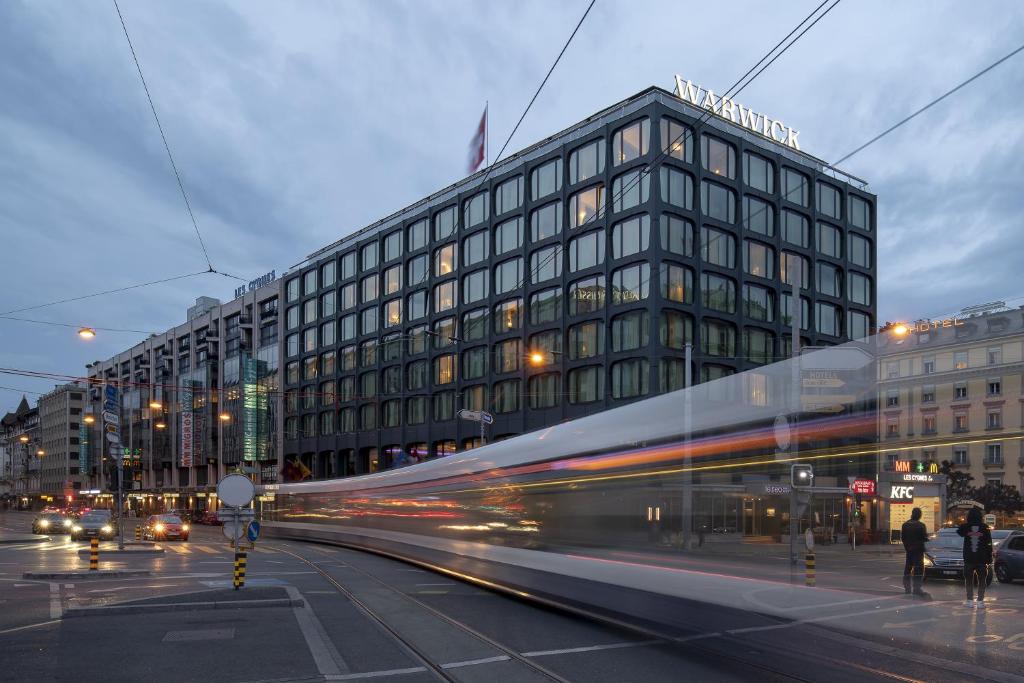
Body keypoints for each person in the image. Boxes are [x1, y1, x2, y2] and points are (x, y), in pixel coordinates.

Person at [957, 507, 993, 608]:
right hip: (982, 558)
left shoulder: (966, 527)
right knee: (982, 580)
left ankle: (969, 600)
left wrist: (965, 523)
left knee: (968, 579)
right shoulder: (985, 527)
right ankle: (980, 601)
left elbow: (959, 532)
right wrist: (989, 557)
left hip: (969, 558)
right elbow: (989, 543)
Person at [901, 507, 928, 596]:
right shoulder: (921, 525)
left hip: (909, 550)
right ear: (919, 515)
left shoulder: (905, 525)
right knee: (919, 570)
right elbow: (924, 538)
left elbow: (903, 538)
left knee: (907, 569)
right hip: (918, 550)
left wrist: (907, 547)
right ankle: (916, 588)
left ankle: (907, 588)